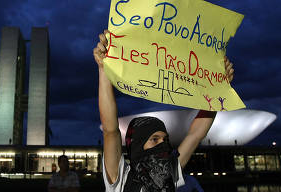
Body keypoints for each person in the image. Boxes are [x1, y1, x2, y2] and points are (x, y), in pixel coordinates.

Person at [93, 29, 234, 192]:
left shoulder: (169, 172)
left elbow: (195, 135)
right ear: (138, 144)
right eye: (155, 139)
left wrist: (218, 90)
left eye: (164, 140)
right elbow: (111, 131)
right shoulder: (121, 179)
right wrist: (103, 70)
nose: (163, 145)